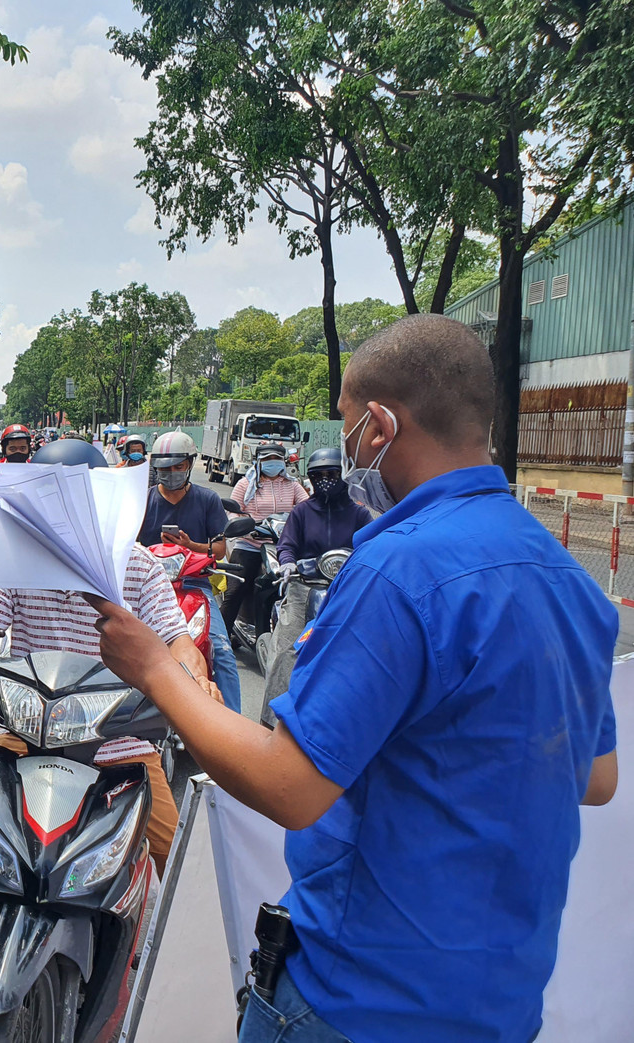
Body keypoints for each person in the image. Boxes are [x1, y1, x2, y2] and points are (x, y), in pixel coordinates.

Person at [85, 314, 619, 1043]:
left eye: (347, 424)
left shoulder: (399, 570)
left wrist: (155, 669)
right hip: (505, 1006)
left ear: (379, 426)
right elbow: (596, 775)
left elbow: (289, 787)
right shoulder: (570, 580)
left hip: (357, 1003)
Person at [0, 438, 214, 871]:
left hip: (118, 739)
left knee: (176, 858)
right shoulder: (17, 563)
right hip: (29, 731)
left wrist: (196, 678)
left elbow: (178, 640)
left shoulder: (138, 566)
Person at [136, 431, 241, 713]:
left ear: (189, 464)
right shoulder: (141, 501)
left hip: (196, 584)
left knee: (221, 651)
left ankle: (233, 724)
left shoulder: (207, 499)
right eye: (165, 468)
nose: (171, 473)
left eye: (178, 467)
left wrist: (190, 545)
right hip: (148, 590)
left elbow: (219, 549)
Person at [262, 447, 373, 701]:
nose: (325, 479)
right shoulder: (301, 512)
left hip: (347, 589)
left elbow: (372, 546)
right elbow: (286, 545)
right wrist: (288, 563)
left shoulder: (360, 513)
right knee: (285, 650)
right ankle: (270, 720)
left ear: (344, 475)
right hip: (305, 586)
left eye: (332, 473)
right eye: (319, 474)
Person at [221, 442, 307, 633]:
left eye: (276, 459)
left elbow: (307, 508)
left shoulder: (293, 485)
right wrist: (246, 528)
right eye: (267, 459)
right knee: (235, 592)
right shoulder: (246, 484)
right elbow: (232, 511)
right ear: (258, 462)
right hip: (250, 545)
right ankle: (220, 640)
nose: (272, 463)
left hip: (285, 547)